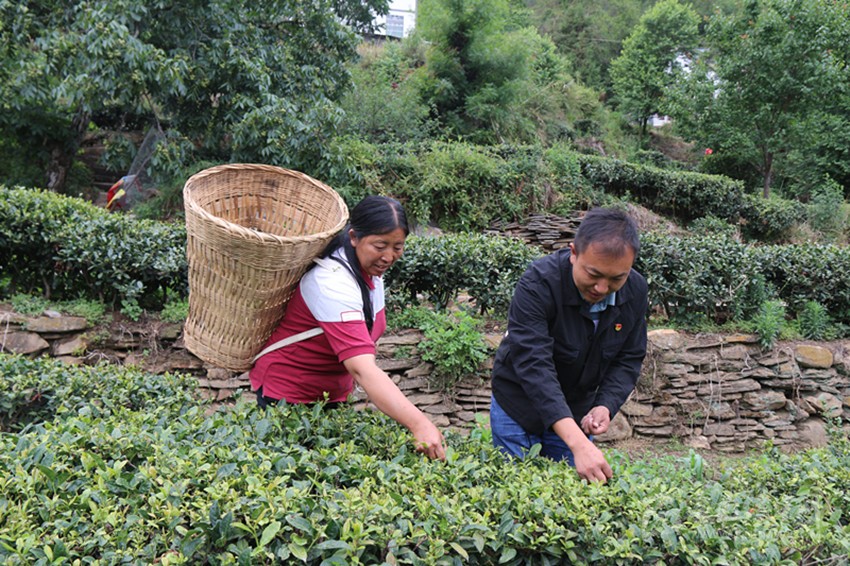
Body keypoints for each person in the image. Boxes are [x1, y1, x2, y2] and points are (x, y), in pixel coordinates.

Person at [250, 195, 446, 460]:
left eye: (398, 247)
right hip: (288, 396)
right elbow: (362, 368)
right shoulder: (331, 281)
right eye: (380, 246)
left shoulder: (370, 273)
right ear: (354, 237)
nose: (389, 256)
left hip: (331, 395)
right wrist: (419, 424)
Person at [489, 207, 648, 482]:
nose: (601, 288)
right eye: (593, 274)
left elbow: (628, 357)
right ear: (573, 253)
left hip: (576, 409)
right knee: (514, 487)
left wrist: (605, 404)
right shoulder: (538, 283)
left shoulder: (635, 290)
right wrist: (578, 443)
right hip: (518, 404)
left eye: (616, 278)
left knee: (570, 492)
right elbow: (533, 363)